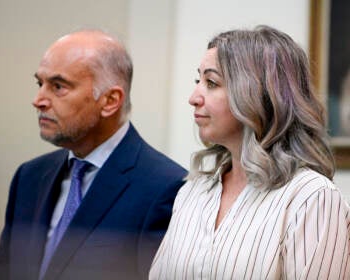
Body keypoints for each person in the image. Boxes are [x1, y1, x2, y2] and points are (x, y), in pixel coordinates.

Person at [149, 25, 350, 279]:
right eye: (197, 80)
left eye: (211, 82)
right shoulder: (192, 192)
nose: (194, 97)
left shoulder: (311, 198)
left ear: (259, 95)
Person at [0, 29, 186, 280]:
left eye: (58, 86)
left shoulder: (165, 188)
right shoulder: (29, 176)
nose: (38, 100)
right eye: (40, 84)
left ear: (110, 100)